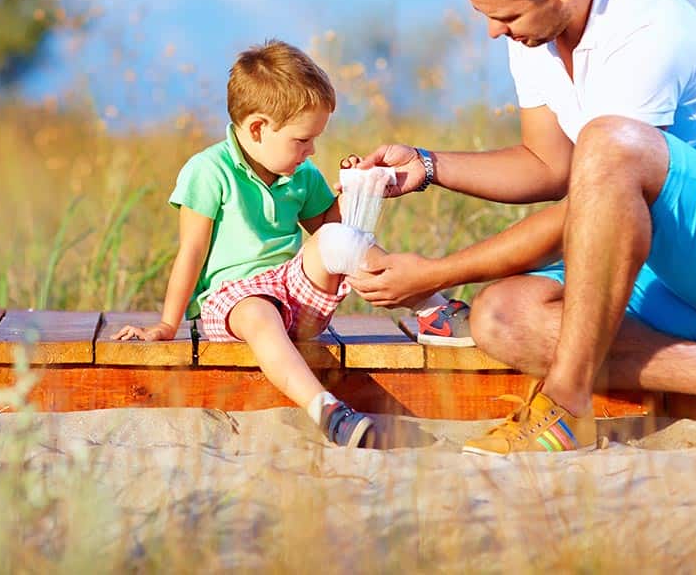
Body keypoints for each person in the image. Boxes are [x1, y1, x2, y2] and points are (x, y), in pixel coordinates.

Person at [348, 0, 696, 454]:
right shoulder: (536, 33)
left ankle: (564, 406)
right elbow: (549, 165)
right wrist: (427, 166)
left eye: (506, 16)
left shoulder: (644, 30)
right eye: (487, 16)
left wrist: (438, 275)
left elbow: (594, 198)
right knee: (500, 316)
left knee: (607, 142)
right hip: (663, 274)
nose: (495, 33)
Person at [113, 39, 464, 447]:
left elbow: (337, 234)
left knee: (336, 238)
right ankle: (327, 411)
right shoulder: (208, 171)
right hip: (233, 302)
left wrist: (355, 192)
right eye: (302, 140)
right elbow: (190, 252)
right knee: (259, 314)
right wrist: (167, 325)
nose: (312, 150)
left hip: (293, 292)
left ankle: (432, 308)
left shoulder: (303, 174)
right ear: (258, 128)